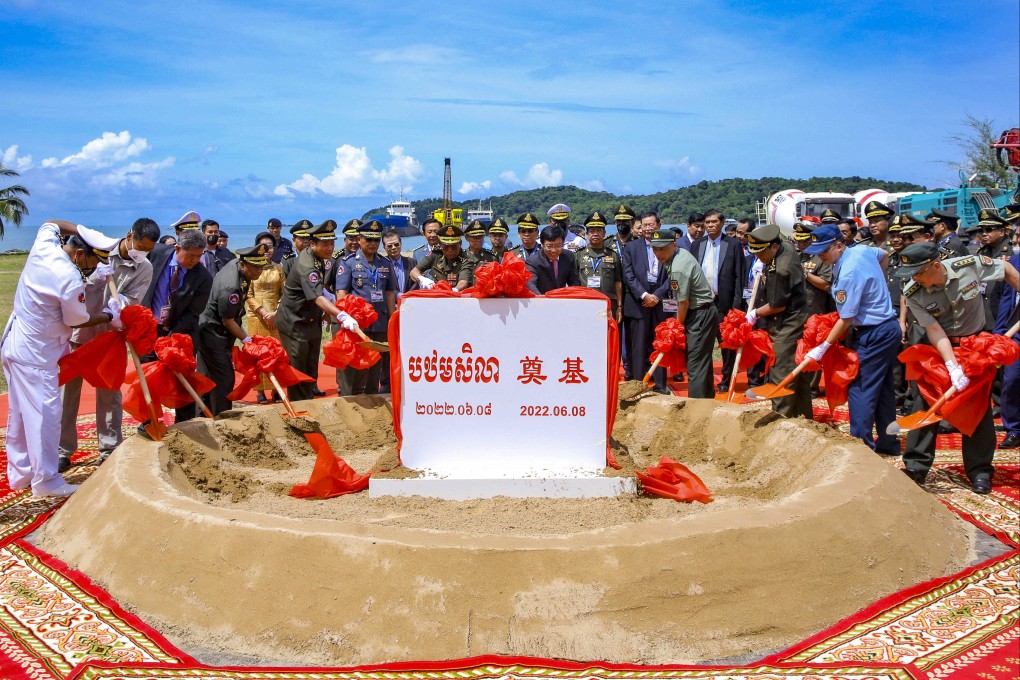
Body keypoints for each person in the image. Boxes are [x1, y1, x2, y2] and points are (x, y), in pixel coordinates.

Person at [2, 220, 122, 498]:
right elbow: (77, 319)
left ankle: (20, 474)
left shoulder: (44, 247)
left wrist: (80, 230)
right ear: (79, 254)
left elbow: (50, 224)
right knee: (45, 417)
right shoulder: (68, 277)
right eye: (93, 261)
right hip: (37, 354)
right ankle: (47, 481)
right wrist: (109, 315)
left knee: (19, 413)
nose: (93, 267)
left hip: (15, 343)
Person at [896, 242, 1020, 493]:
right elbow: (934, 330)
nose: (914, 278)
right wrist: (952, 366)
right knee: (927, 402)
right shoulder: (913, 292)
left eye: (918, 272)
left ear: (935, 265)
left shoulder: (969, 266)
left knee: (978, 408)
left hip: (975, 345)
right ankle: (916, 466)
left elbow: (1005, 268)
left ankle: (980, 471)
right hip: (938, 349)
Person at [59, 218, 158, 470]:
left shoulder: (144, 267)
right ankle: (62, 449)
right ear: (129, 236)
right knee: (67, 394)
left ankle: (109, 448)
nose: (142, 252)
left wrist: (121, 304)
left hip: (110, 337)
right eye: (140, 246)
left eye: (148, 249)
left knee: (109, 393)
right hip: (80, 333)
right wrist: (95, 278)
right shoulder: (101, 250)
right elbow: (71, 283)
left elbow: (134, 299)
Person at [802, 223, 901, 455]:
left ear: (839, 245)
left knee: (860, 387)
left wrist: (823, 347)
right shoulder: (862, 250)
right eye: (817, 252)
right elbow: (883, 255)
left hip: (874, 332)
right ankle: (888, 442)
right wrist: (877, 284)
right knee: (883, 387)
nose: (820, 256)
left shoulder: (848, 273)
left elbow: (845, 319)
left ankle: (861, 447)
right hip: (887, 327)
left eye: (824, 251)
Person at [275, 220, 358, 402]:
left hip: (310, 320)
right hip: (294, 323)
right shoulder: (307, 264)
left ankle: (308, 403)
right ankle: (299, 406)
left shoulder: (318, 258)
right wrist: (341, 315)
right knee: (298, 368)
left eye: (332, 243)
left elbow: (321, 289)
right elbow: (317, 297)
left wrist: (330, 302)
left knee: (311, 366)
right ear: (312, 244)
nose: (330, 248)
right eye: (325, 244)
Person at [140, 229, 214, 426]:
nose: (195, 260)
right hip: (149, 330)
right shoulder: (155, 254)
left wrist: (170, 337)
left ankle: (185, 424)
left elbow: (193, 313)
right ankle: (149, 423)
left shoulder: (203, 278)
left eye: (199, 256)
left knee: (183, 381)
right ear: (178, 248)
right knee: (148, 379)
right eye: (190, 256)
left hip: (181, 334)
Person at [745, 224, 812, 419]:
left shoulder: (779, 270)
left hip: (787, 322)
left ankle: (780, 418)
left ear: (774, 247)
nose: (759, 257)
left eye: (761, 253)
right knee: (797, 371)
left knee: (781, 371)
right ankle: (803, 417)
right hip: (798, 315)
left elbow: (776, 305)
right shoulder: (786, 246)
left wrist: (754, 313)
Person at [197, 244, 270, 415]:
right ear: (243, 264)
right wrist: (247, 340)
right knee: (224, 378)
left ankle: (202, 414)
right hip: (213, 331)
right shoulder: (231, 287)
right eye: (255, 268)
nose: (259, 271)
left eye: (261, 267)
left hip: (215, 327)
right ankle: (222, 416)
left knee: (206, 375)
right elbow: (228, 320)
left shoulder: (239, 267)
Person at [649, 228, 717, 398]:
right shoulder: (679, 254)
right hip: (699, 311)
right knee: (701, 361)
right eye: (655, 249)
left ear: (674, 245)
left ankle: (696, 406)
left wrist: (676, 327)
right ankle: (707, 401)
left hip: (699, 314)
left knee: (695, 363)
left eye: (662, 249)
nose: (658, 253)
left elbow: (683, 302)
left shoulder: (678, 267)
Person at [334, 220, 397, 394]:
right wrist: (345, 318)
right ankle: (350, 398)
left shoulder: (385, 263)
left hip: (379, 322)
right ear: (359, 239)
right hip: (358, 324)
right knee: (355, 365)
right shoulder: (348, 262)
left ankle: (372, 397)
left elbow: (390, 292)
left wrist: (392, 318)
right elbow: (341, 293)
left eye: (376, 240)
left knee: (375, 364)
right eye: (368, 239)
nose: (372, 243)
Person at [693, 209, 747, 392]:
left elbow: (739, 276)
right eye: (707, 222)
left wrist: (736, 307)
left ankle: (726, 381)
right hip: (702, 304)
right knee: (702, 345)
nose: (710, 225)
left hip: (724, 304)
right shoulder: (698, 244)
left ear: (722, 223)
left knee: (727, 345)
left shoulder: (732, 244)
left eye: (714, 222)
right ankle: (704, 381)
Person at [622, 212, 672, 393]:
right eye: (645, 225)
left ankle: (660, 384)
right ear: (640, 227)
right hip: (638, 303)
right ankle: (637, 384)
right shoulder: (631, 247)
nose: (648, 228)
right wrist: (644, 295)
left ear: (659, 225)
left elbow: (673, 274)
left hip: (660, 302)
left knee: (660, 343)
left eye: (652, 224)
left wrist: (656, 295)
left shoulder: (668, 246)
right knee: (638, 346)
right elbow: (628, 275)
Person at [246, 232, 286, 404]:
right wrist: (263, 312)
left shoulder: (278, 268)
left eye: (269, 247)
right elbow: (248, 294)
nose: (266, 250)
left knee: (275, 353)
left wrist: (276, 313)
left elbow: (285, 292)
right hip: (256, 316)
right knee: (258, 354)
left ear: (274, 249)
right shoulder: (251, 268)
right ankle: (260, 391)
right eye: (263, 247)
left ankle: (276, 390)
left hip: (276, 317)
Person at [575, 211, 623, 324]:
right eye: (592, 231)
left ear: (604, 233)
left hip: (609, 303)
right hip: (586, 302)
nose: (595, 234)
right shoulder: (579, 255)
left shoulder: (612, 254)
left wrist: (619, 306)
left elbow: (618, 281)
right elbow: (575, 281)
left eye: (598, 230)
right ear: (587, 234)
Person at [995, 246, 1020, 449]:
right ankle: (1014, 429)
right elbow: (1007, 297)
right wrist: (1000, 330)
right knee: (1011, 379)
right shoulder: (1016, 261)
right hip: (1015, 331)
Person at [411, 225, 472, 290]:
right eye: (446, 246)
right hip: (436, 292)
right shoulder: (435, 255)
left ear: (460, 244)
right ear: (440, 244)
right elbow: (414, 272)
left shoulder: (466, 260)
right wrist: (423, 280)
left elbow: (463, 282)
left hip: (456, 294)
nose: (450, 250)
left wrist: (455, 290)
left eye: (454, 246)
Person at [525, 225, 581, 294]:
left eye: (558, 246)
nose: (553, 250)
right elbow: (531, 285)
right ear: (542, 244)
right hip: (542, 297)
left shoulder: (569, 256)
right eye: (549, 246)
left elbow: (574, 282)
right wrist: (541, 298)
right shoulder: (533, 261)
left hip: (562, 298)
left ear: (563, 243)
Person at [382, 229, 416, 296]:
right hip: (390, 301)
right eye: (389, 246)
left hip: (409, 299)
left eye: (396, 244)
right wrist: (399, 295)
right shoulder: (381, 264)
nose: (394, 248)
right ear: (384, 247)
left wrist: (408, 296)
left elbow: (416, 284)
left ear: (401, 244)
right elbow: (382, 286)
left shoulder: (411, 262)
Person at [463, 219, 497, 286]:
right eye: (475, 237)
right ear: (467, 238)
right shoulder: (462, 256)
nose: (478, 240)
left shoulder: (491, 256)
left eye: (480, 237)